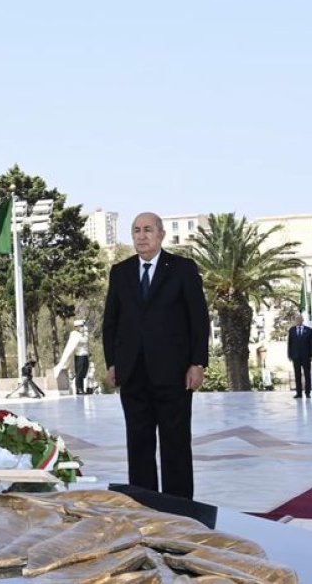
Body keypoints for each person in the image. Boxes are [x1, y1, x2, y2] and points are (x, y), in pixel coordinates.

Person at [103, 212, 209, 499]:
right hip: (133, 372)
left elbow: (199, 319)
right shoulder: (120, 272)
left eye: (148, 230)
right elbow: (111, 322)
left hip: (174, 372)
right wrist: (112, 362)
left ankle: (179, 507)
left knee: (175, 442)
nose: (141, 235)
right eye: (136, 230)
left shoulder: (183, 268)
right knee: (138, 443)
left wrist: (197, 362)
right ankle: (144, 503)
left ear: (161, 234)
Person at [287, 314, 312, 398]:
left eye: (300, 319)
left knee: (307, 374)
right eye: (297, 319)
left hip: (306, 356)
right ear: (295, 321)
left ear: (302, 320)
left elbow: (311, 344)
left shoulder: (309, 330)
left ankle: (307, 392)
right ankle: (298, 393)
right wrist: (289, 355)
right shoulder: (291, 330)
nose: (298, 321)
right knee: (297, 375)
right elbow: (290, 343)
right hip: (295, 356)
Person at [72, 320, 90, 395]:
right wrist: (86, 332)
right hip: (79, 355)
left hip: (84, 355)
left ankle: (82, 388)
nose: (82, 328)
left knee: (83, 373)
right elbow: (84, 341)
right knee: (79, 373)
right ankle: (78, 389)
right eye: (81, 326)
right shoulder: (75, 334)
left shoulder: (80, 334)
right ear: (77, 327)